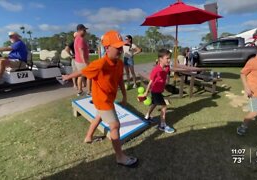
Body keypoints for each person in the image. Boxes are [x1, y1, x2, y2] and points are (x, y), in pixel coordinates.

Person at [62, 30, 138, 167]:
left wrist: (125, 96)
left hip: (109, 97)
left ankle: (88, 137)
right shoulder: (100, 64)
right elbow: (82, 71)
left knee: (99, 116)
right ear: (107, 48)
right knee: (115, 125)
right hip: (101, 99)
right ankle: (120, 157)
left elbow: (120, 79)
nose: (120, 50)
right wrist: (67, 77)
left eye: (121, 47)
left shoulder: (119, 64)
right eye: (117, 47)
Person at [142, 49, 175, 134]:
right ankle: (162, 125)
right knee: (164, 106)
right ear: (160, 59)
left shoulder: (167, 67)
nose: (169, 60)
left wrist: (166, 83)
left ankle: (147, 116)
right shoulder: (156, 70)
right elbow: (151, 82)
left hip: (159, 90)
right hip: (155, 90)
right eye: (167, 58)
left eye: (169, 58)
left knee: (155, 103)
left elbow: (166, 76)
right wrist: (146, 92)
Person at [74, 24, 91, 96]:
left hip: (78, 61)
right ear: (80, 30)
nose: (85, 32)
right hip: (82, 62)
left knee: (80, 76)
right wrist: (86, 63)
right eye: (84, 30)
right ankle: (89, 92)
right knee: (89, 76)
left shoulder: (76, 38)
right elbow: (81, 52)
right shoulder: (80, 39)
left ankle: (80, 91)